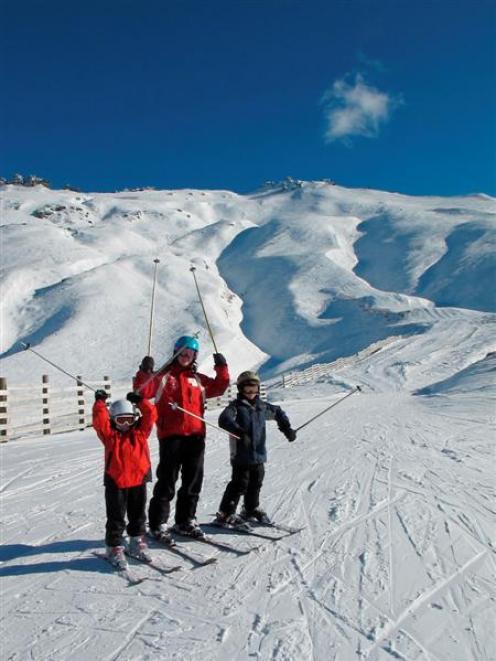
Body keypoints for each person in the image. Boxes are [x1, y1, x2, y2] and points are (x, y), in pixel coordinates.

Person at [147, 335, 230, 540]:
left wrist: (222, 366)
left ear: (194, 356)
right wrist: (145, 371)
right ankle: (158, 523)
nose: (185, 356)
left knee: (193, 480)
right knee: (167, 480)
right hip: (171, 436)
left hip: (195, 436)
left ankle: (185, 520)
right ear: (175, 353)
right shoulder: (164, 377)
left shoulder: (198, 379)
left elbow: (220, 386)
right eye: (181, 353)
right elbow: (143, 388)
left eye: (189, 353)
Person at [214, 370, 297, 527]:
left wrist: (287, 429)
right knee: (240, 483)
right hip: (240, 453)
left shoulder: (261, 407)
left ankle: (250, 508)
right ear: (240, 389)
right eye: (248, 389)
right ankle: (225, 513)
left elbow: (278, 412)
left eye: (255, 389)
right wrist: (239, 431)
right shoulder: (236, 407)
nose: (252, 393)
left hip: (258, 453)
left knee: (256, 481)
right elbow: (224, 420)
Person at [92, 389, 157, 568]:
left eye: (130, 419)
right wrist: (100, 403)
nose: (126, 424)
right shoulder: (110, 436)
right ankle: (114, 546)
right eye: (121, 420)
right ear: (113, 420)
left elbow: (151, 414)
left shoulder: (140, 433)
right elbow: (99, 421)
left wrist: (141, 401)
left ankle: (136, 541)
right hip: (116, 481)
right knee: (116, 516)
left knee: (138, 514)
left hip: (138, 480)